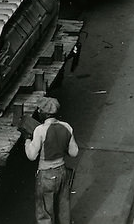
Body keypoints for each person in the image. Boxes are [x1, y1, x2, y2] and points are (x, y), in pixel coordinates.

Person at [24, 96, 79, 224]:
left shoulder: (40, 130)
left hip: (46, 175)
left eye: (39, 110)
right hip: (63, 173)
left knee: (45, 213)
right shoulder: (67, 127)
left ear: (44, 113)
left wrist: (27, 140)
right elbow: (74, 152)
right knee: (63, 208)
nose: (38, 112)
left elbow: (31, 156)